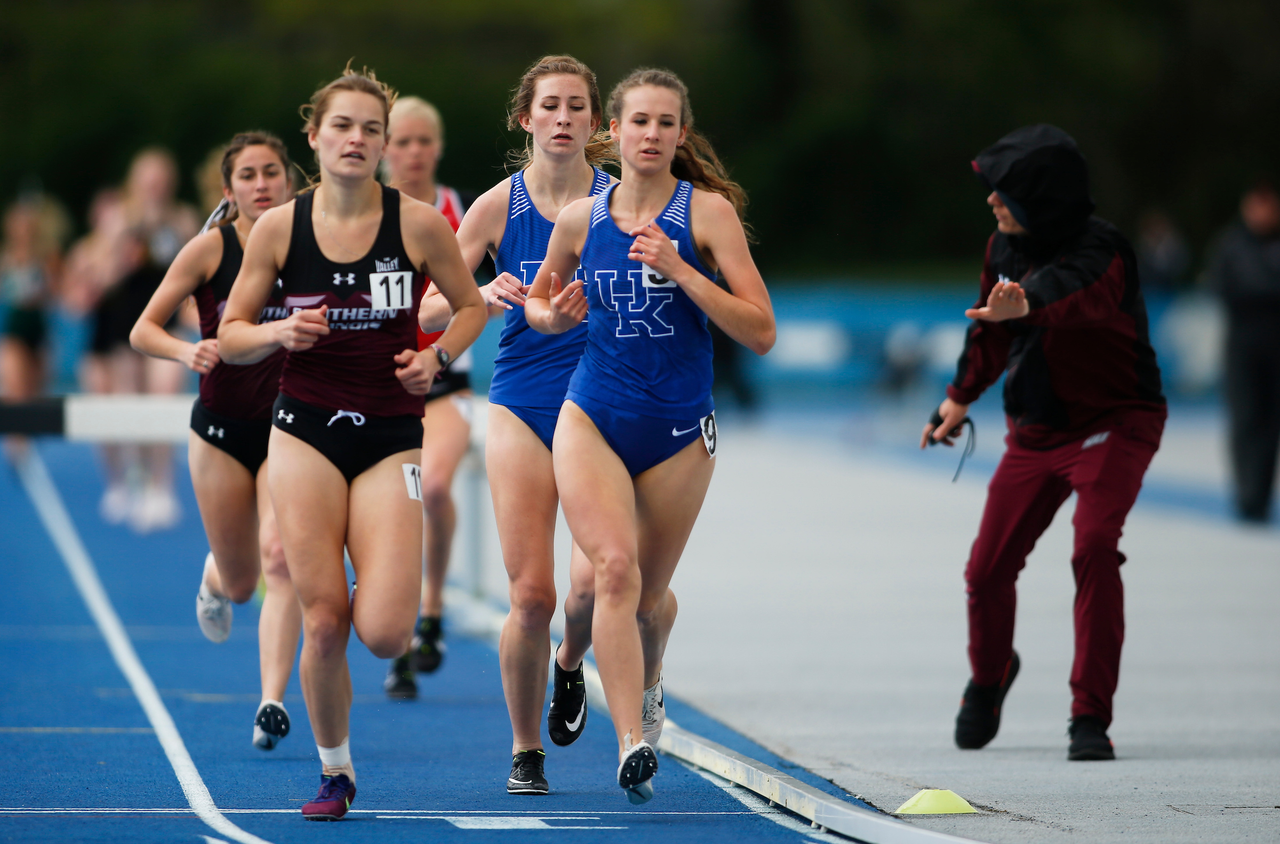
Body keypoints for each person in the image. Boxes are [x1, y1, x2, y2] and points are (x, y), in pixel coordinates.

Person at [218, 64, 485, 821]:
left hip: (392, 434)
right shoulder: (279, 228)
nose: (358, 139)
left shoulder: (420, 223)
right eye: (343, 126)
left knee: (387, 633)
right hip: (303, 431)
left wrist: (437, 357)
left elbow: (468, 309)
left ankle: (382, 570)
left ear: (387, 144)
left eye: (372, 128)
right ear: (315, 135)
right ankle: (336, 770)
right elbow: (231, 334)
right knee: (324, 617)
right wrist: (278, 330)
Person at [525, 67, 775, 803]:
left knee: (643, 603)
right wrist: (552, 317)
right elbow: (538, 305)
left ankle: (640, 677)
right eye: (640, 121)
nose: (652, 135)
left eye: (666, 123)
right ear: (616, 132)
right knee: (609, 574)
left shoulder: (709, 216)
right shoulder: (581, 218)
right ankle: (629, 735)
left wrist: (683, 270)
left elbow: (759, 332)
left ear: (681, 135)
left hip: (677, 432)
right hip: (593, 416)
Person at [922, 124, 1166, 761]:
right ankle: (990, 675)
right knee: (986, 571)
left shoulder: (1105, 250)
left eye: (1003, 192)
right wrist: (958, 398)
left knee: (1093, 547)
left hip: (1115, 423)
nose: (990, 202)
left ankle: (1090, 717)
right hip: (1035, 432)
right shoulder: (1002, 247)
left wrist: (1024, 303)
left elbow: (1074, 296)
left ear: (1041, 198)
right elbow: (989, 334)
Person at [421, 54, 614, 795]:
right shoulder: (497, 209)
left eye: (576, 107)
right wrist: (479, 291)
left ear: (596, 122)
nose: (563, 118)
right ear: (524, 118)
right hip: (523, 401)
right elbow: (430, 308)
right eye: (550, 106)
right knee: (531, 596)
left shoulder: (623, 202)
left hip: (604, 402)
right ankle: (525, 749)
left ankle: (571, 664)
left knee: (592, 591)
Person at [129, 132, 302, 751]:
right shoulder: (209, 249)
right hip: (222, 432)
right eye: (249, 176)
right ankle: (214, 575)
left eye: (272, 173)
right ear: (229, 192)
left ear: (289, 180)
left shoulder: (309, 243)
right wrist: (186, 349)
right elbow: (142, 329)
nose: (262, 184)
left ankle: (271, 702)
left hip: (291, 428)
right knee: (240, 580)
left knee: (280, 560)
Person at [379, 95, 477, 698]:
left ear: (437, 148)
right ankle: (396, 633)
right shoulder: (362, 212)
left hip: (442, 385)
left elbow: (474, 295)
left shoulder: (458, 210)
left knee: (434, 487)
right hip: (379, 389)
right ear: (383, 147)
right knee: (392, 509)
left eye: (423, 142)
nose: (413, 153)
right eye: (402, 141)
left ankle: (431, 614)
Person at [1204, 180, 1280, 524]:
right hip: (1242, 344)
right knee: (1245, 419)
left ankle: (1261, 494)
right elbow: (1219, 286)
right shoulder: (1231, 244)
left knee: (1271, 422)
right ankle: (1246, 494)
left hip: (1275, 343)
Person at [1, 195, 66, 410]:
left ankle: (28, 440)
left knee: (34, 396)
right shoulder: (6, 258)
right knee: (17, 391)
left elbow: (59, 294)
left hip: (40, 330)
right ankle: (17, 441)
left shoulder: (47, 258)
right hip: (15, 330)